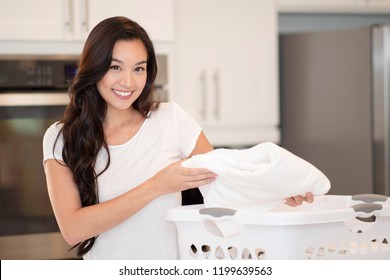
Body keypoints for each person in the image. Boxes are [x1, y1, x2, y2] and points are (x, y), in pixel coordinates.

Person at [43, 16, 313, 260]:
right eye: (115, 67)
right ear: (95, 68)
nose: (128, 81)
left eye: (139, 68)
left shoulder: (171, 119)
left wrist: (277, 189)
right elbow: (74, 229)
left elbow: (226, 181)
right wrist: (157, 186)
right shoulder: (60, 138)